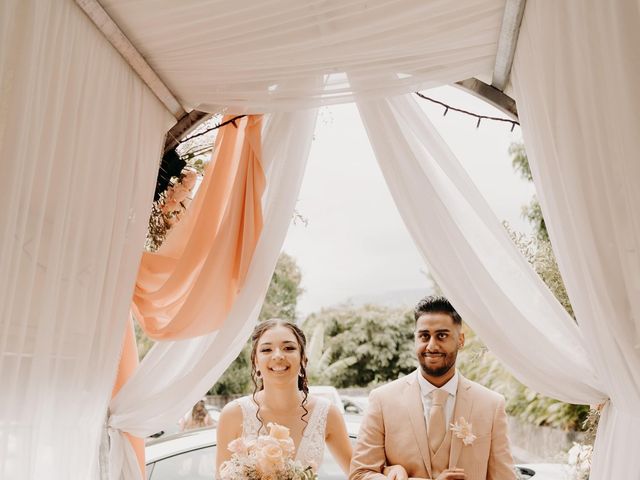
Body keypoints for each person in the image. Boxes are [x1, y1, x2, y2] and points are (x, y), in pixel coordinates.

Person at [350, 296, 516, 480]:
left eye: (442, 335)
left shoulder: (491, 405)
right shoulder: (382, 400)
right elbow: (360, 474)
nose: (431, 345)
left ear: (460, 340)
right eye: (424, 336)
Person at [216, 319, 353, 474]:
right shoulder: (233, 414)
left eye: (288, 348)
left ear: (302, 359)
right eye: (266, 350)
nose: (278, 355)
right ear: (256, 362)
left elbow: (358, 474)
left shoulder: (327, 413)